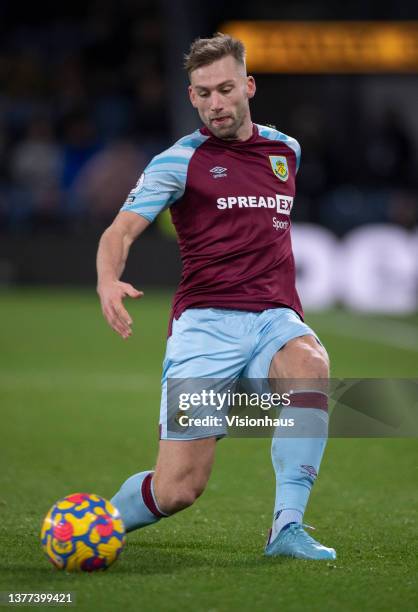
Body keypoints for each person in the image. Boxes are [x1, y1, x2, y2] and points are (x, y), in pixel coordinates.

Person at [96, 33, 336, 560]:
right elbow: (119, 231)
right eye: (203, 93)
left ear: (248, 86)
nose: (215, 103)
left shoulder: (285, 152)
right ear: (191, 97)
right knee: (177, 489)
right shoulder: (178, 161)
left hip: (274, 319)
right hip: (206, 329)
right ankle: (99, 523)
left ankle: (287, 528)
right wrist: (108, 279)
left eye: (225, 89)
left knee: (310, 367)